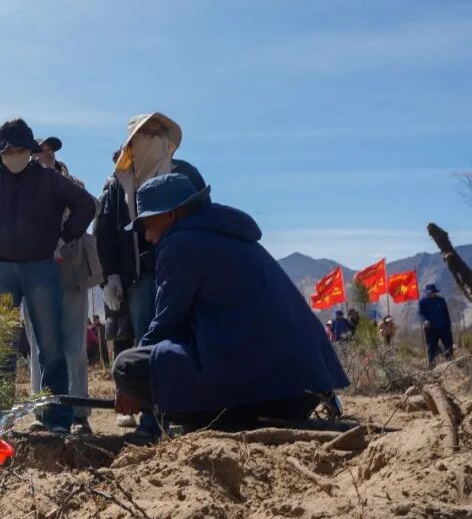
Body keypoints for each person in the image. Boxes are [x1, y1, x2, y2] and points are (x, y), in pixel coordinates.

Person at [112, 174, 349, 429]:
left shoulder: (180, 243)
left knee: (127, 366)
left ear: (171, 215)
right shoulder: (233, 237)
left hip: (259, 391)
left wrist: (130, 388)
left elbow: (166, 324)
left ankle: (219, 421)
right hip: (301, 391)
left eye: (147, 224)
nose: (146, 236)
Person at [0, 119, 96, 434]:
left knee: (51, 345)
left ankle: (57, 419)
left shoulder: (48, 179)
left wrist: (65, 236)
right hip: (1, 270)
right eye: (10, 150)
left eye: (21, 150)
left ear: (30, 151)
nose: (16, 155)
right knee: (2, 346)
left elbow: (86, 204)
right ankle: (1, 419)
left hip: (41, 267)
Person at [95, 115, 205, 435]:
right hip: (139, 275)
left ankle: (188, 411)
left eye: (159, 133)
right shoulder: (119, 184)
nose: (154, 138)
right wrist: (111, 275)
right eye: (147, 133)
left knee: (184, 336)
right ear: (133, 142)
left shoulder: (184, 174)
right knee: (147, 339)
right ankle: (152, 418)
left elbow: (202, 214)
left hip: (180, 270)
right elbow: (105, 232)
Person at [23, 136, 103, 434]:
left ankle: (79, 413)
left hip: (70, 272)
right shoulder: (23, 188)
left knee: (74, 346)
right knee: (38, 348)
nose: (46, 154)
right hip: (35, 274)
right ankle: (42, 412)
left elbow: (91, 207)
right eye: (40, 150)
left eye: (50, 149)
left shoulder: (74, 183)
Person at [418, 284, 454, 365]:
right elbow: (420, 313)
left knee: (448, 344)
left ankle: (450, 363)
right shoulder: (422, 302)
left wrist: (448, 325)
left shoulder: (441, 300)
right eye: (427, 292)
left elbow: (446, 314)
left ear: (434, 291)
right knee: (431, 347)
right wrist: (424, 320)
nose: (429, 293)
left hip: (443, 327)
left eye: (431, 292)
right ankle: (431, 365)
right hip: (431, 329)